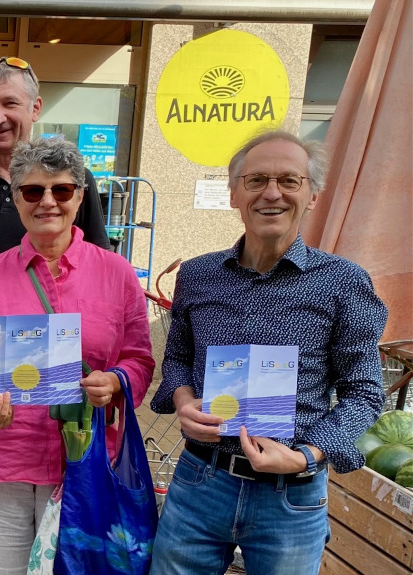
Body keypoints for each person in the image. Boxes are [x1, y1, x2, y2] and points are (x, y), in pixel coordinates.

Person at [149, 131, 388, 575]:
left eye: (289, 181)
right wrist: (183, 400)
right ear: (235, 193)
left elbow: (365, 392)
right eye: (256, 180)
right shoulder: (199, 275)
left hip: (291, 495)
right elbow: (178, 357)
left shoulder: (344, 282)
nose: (272, 193)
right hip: (202, 480)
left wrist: (306, 456)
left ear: (313, 194)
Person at [0, 55, 114, 575]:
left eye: (10, 103)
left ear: (35, 108)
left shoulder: (74, 179)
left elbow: (96, 270)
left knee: (53, 515)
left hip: (54, 386)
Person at [0, 137, 154, 574]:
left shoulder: (117, 273)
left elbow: (140, 359)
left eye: (62, 190)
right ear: (16, 199)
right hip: (4, 458)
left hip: (85, 460)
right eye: (33, 191)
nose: (48, 201)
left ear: (80, 196)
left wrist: (116, 381)